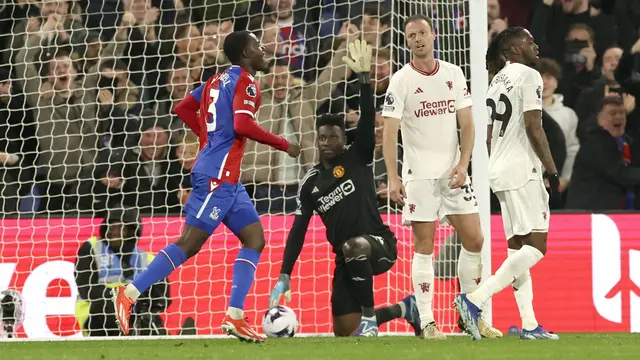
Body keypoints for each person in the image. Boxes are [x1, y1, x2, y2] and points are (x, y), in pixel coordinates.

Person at [112, 30, 301, 343]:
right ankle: (130, 293)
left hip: (228, 176)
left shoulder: (216, 79)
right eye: (257, 45)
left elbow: (183, 108)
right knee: (189, 243)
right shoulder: (247, 82)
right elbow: (242, 125)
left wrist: (208, 138)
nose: (263, 48)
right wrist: (284, 145)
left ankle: (235, 316)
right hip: (217, 176)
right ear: (245, 54)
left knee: (254, 238)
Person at [268, 40, 420, 337]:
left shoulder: (358, 155)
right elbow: (298, 229)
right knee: (344, 332)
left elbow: (366, 118)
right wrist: (285, 273)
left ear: (342, 138)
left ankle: (368, 319)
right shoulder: (311, 183)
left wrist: (364, 81)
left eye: (332, 137)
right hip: (346, 260)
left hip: (378, 245)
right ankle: (405, 309)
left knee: (355, 247)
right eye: (322, 138)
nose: (326, 143)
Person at [381, 14, 501, 339]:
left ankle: (469, 314)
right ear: (406, 41)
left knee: (475, 239)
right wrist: (393, 177)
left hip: (453, 174)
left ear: (433, 35)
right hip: (420, 177)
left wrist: (464, 164)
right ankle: (428, 320)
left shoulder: (453, 73)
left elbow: (468, 123)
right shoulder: (401, 81)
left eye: (422, 33)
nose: (418, 39)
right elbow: (389, 132)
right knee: (424, 247)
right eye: (411, 35)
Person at [454, 27, 560, 341]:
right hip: (521, 170)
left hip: (498, 170)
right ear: (513, 50)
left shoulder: (494, 83)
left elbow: (487, 137)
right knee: (537, 248)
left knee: (518, 249)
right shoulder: (529, 75)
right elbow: (533, 125)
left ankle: (529, 325)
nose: (535, 45)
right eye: (529, 41)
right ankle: (473, 300)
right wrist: (549, 168)